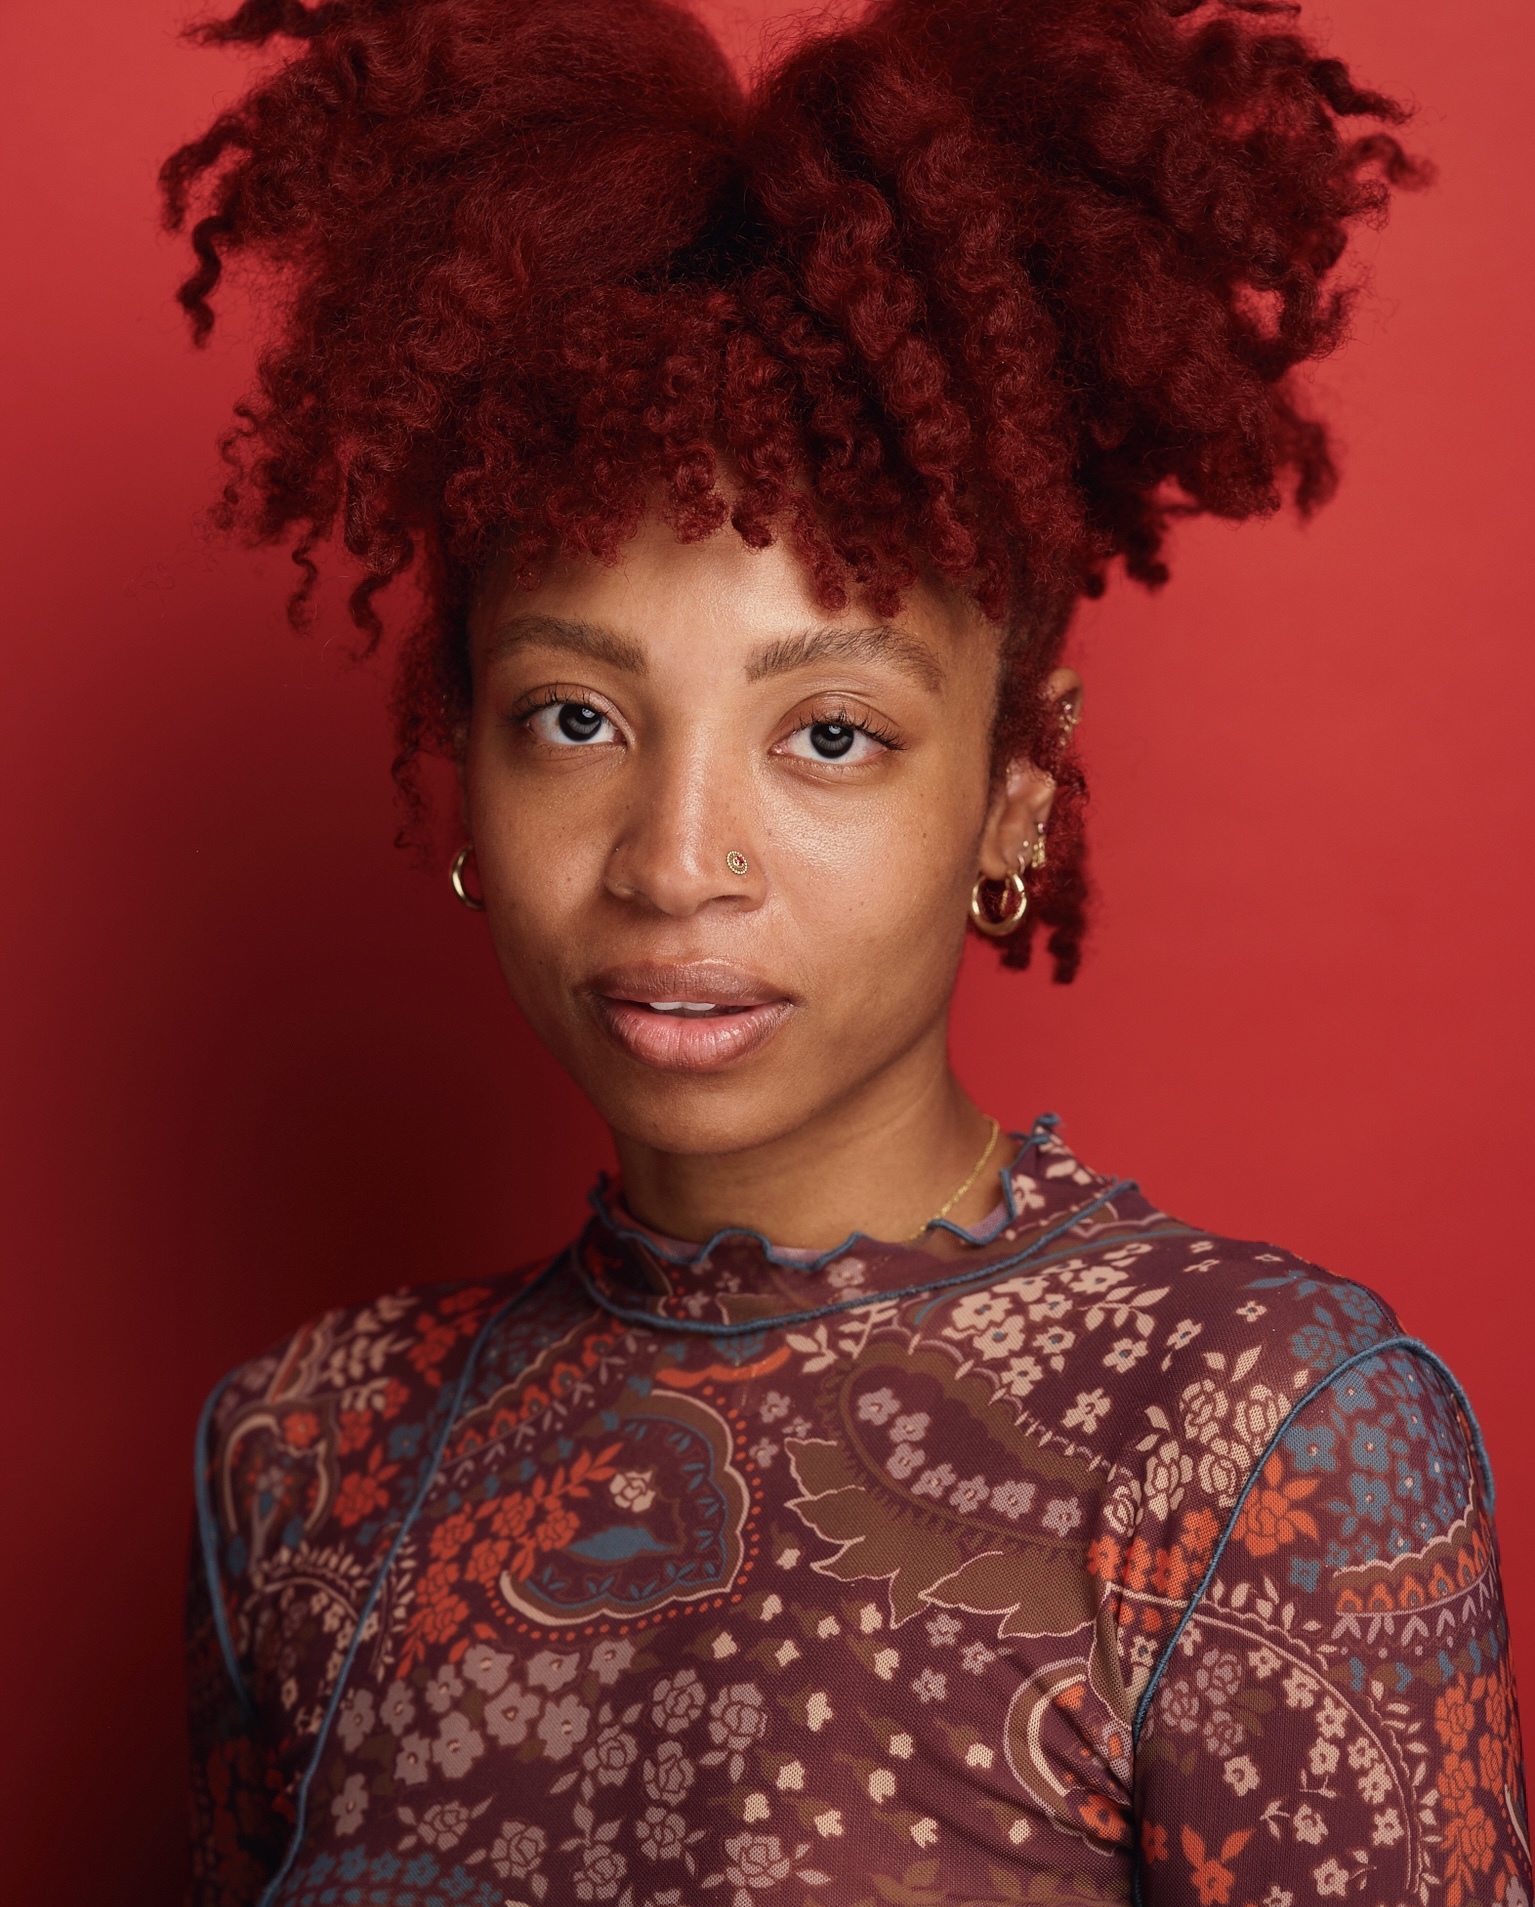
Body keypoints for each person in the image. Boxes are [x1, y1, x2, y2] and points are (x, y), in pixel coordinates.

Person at [163, 2, 1529, 1903]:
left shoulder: (1256, 1442)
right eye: (574, 717)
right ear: (459, 754)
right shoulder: (305, 1461)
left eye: (828, 734)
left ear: (1015, 790)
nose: (676, 863)